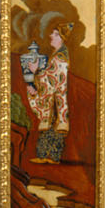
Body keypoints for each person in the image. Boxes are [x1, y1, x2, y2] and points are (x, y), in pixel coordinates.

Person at [27, 24, 70, 163]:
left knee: (54, 128)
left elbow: (53, 79)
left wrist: (36, 71)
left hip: (56, 101)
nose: (51, 36)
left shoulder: (60, 57)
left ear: (62, 38)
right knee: (50, 128)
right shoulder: (56, 55)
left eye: (56, 34)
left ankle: (52, 157)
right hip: (54, 99)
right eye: (52, 33)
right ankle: (45, 156)